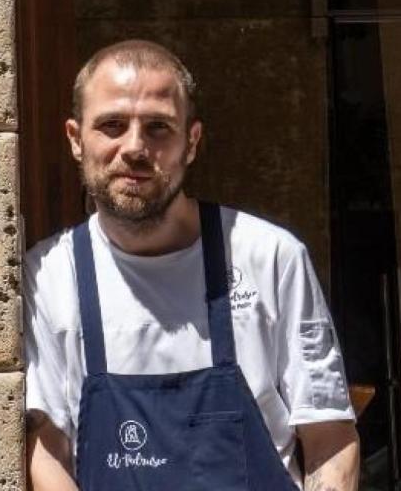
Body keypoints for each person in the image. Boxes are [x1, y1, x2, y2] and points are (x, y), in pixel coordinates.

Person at [24, 40, 359, 490]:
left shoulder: (270, 257)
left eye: (158, 127)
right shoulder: (48, 275)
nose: (135, 147)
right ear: (75, 139)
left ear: (192, 141)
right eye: (112, 125)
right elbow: (47, 448)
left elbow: (329, 438)